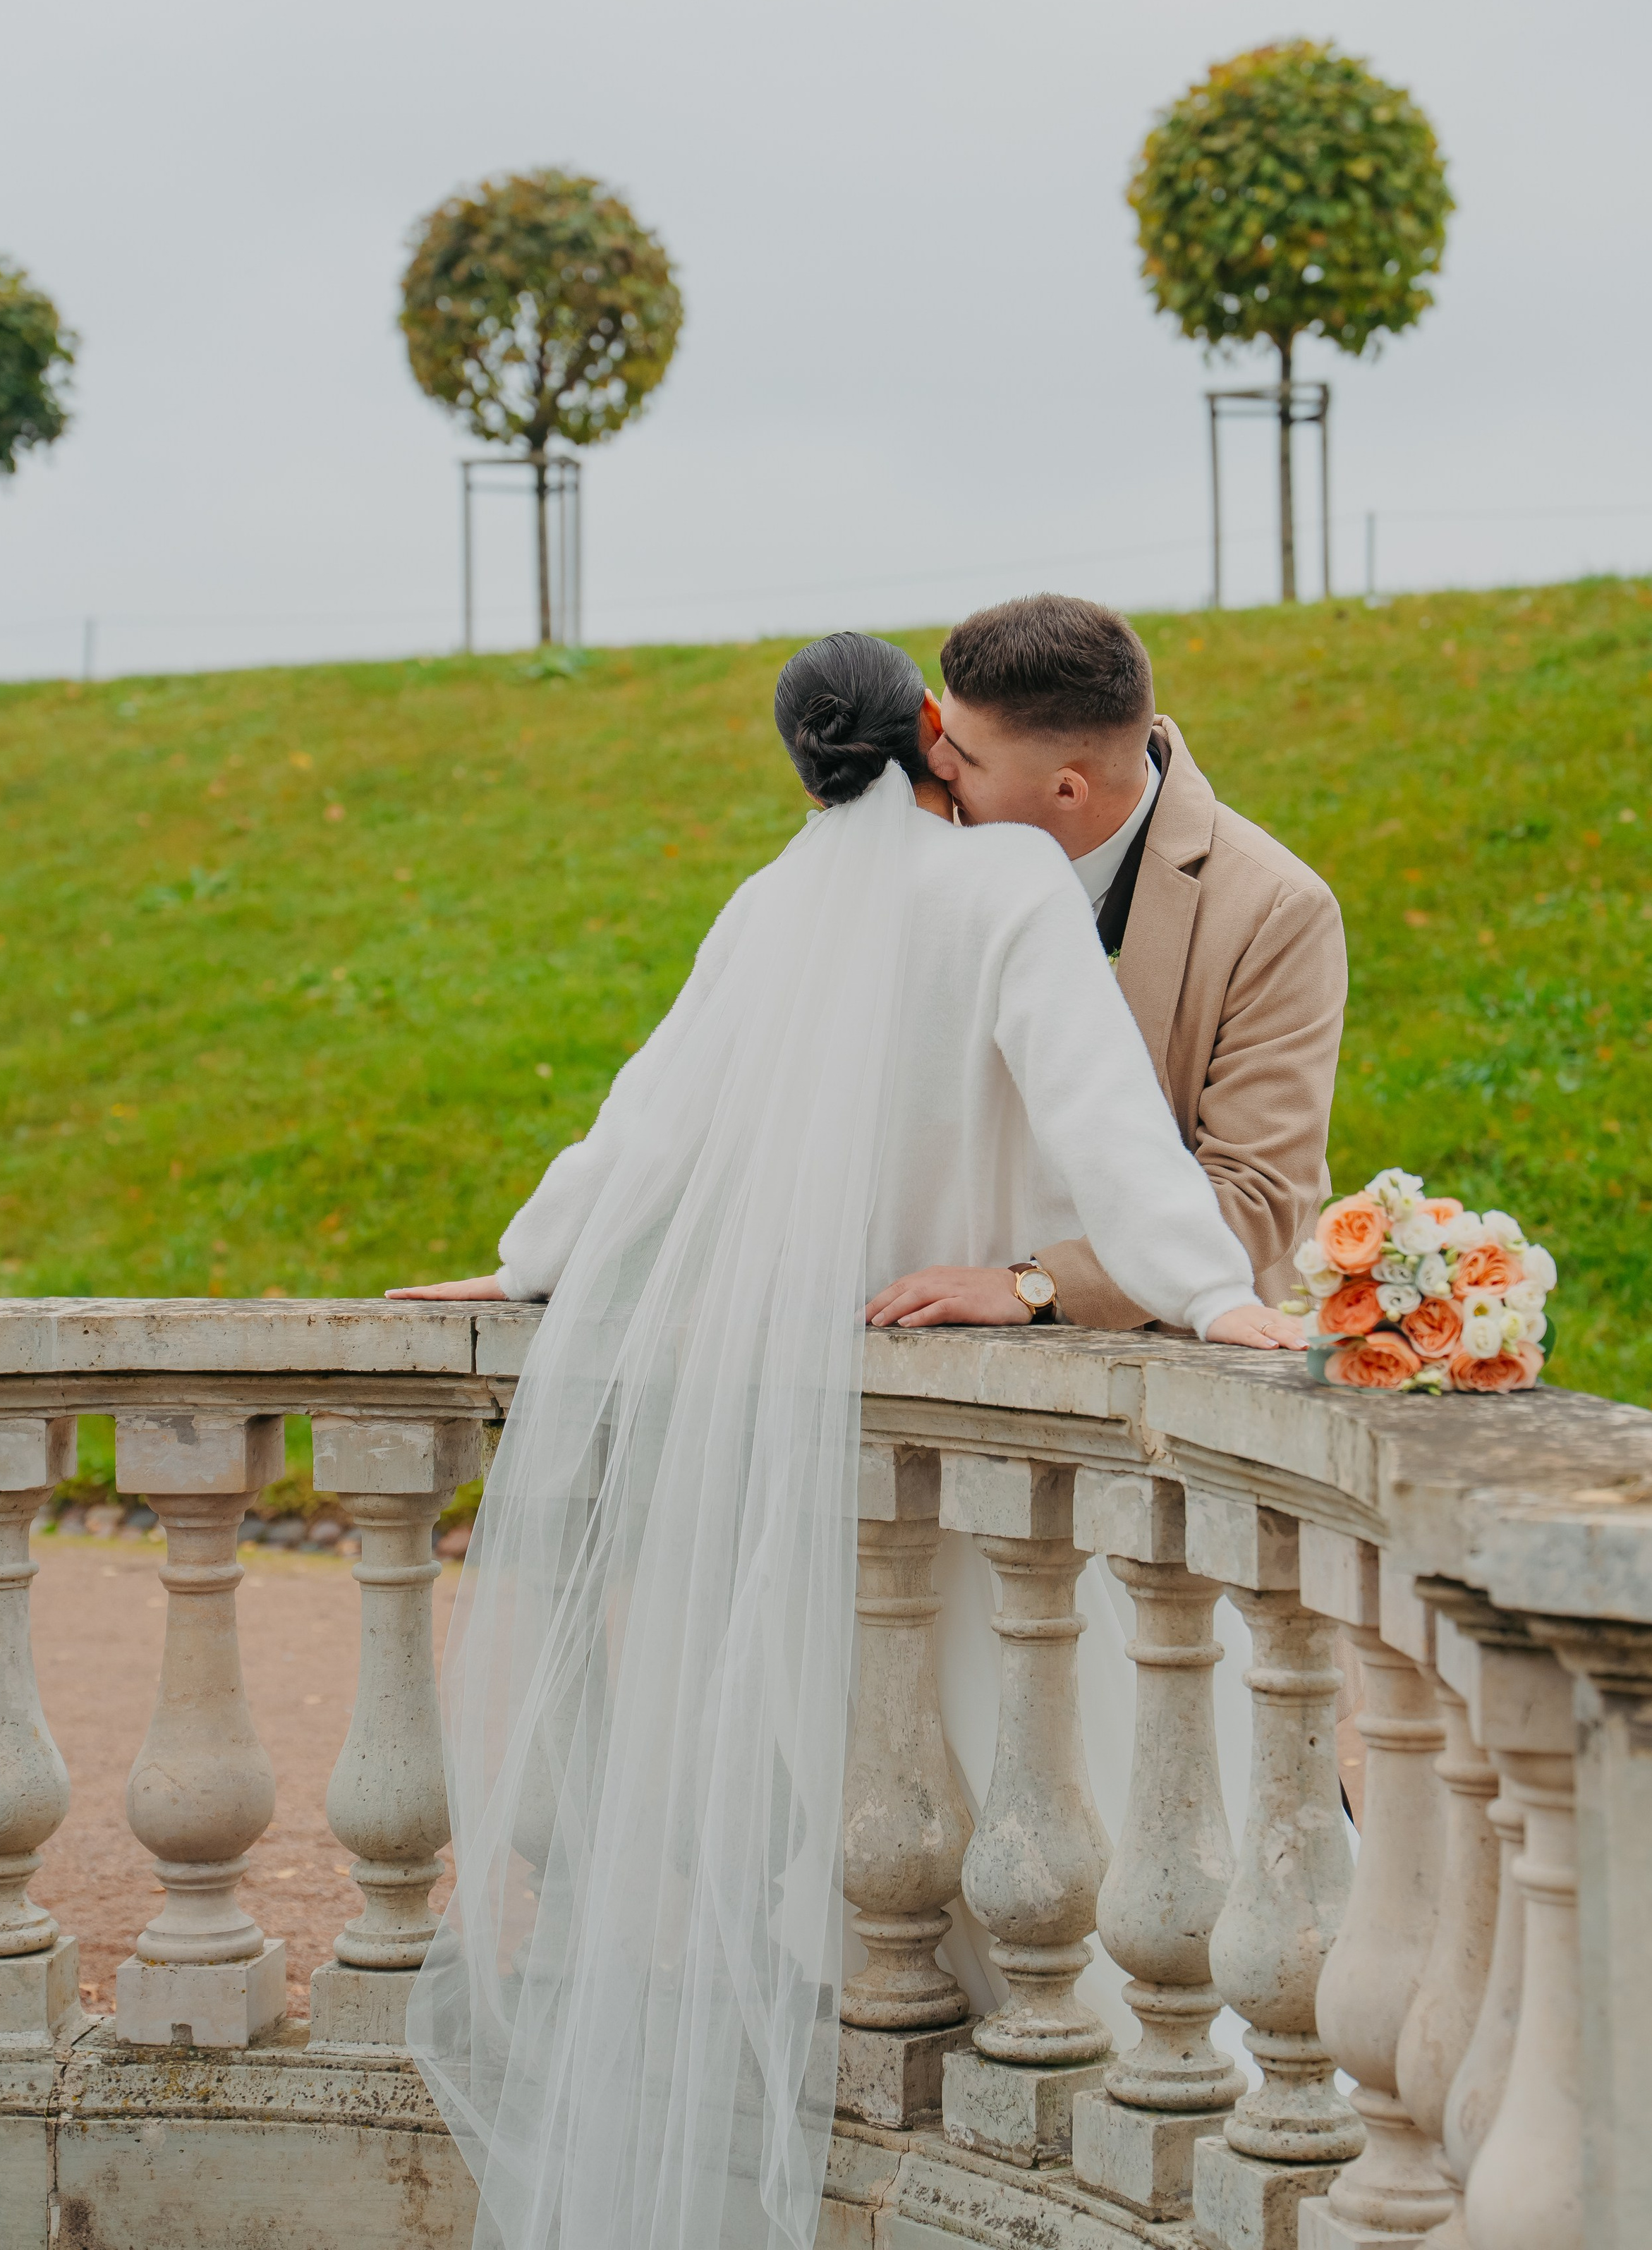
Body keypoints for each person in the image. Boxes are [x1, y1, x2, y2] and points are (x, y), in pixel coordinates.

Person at [391, 631, 1301, 2250]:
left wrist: (533, 1258)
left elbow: (643, 1123)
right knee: (1065, 1805)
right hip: (975, 1445)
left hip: (832, 1458)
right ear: (930, 743)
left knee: (883, 1814)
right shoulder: (1008, 884)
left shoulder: (763, 906)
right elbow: (1103, 1122)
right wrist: (1213, 1299)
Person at [865, 592, 1347, 1336]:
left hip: (1172, 1362)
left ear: (1068, 788)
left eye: (961, 756)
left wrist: (1032, 1284)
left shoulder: (1275, 911)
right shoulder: (934, 857)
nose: (932, 767)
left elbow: (1254, 1197)